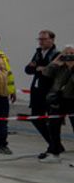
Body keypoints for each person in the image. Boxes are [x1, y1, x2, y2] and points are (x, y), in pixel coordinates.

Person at [26, 30, 60, 159]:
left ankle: (54, 147)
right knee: (35, 118)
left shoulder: (57, 54)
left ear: (52, 40)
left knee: (53, 122)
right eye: (39, 39)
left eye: (44, 39)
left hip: (50, 92)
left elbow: (51, 72)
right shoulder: (38, 52)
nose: (41, 41)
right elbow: (28, 69)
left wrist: (40, 68)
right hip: (36, 91)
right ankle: (53, 144)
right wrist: (38, 68)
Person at [39, 45, 74, 160]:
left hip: (72, 99)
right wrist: (55, 61)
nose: (69, 56)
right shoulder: (60, 65)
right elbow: (45, 73)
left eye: (71, 53)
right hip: (58, 99)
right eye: (66, 53)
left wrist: (71, 67)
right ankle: (54, 150)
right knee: (53, 126)